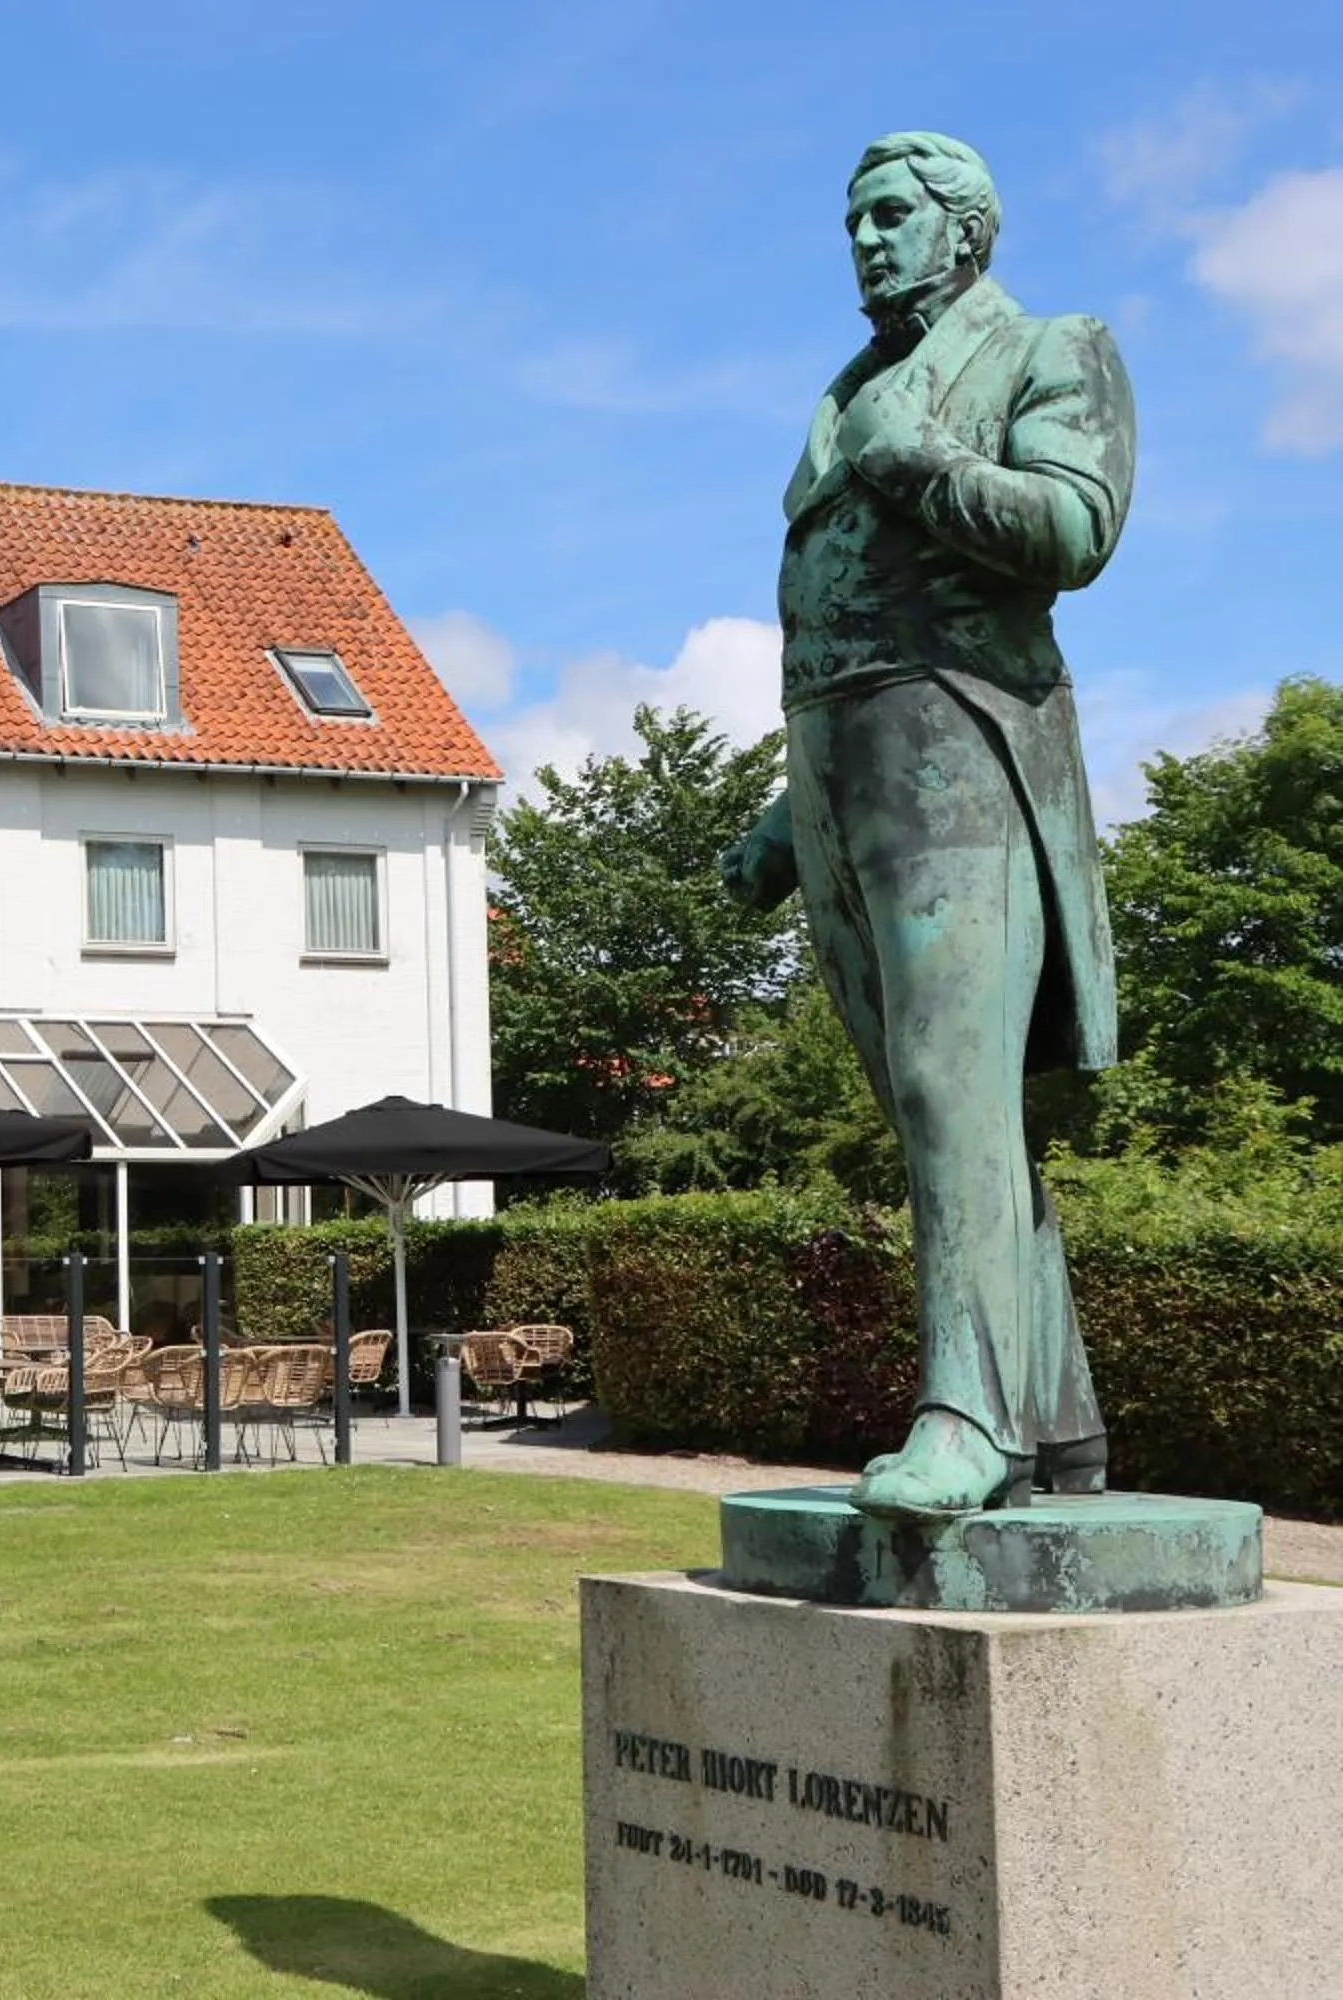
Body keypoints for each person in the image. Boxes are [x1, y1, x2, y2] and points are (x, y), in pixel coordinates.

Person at [720, 132, 1134, 1520]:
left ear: (968, 231)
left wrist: (914, 463)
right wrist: (790, 818)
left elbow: (1075, 531)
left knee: (958, 1094)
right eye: (854, 219)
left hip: (965, 743)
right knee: (939, 1112)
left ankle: (965, 1419)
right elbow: (845, 614)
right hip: (848, 765)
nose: (867, 239)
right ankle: (1056, 1425)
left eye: (894, 215)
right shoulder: (851, 391)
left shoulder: (1047, 348)